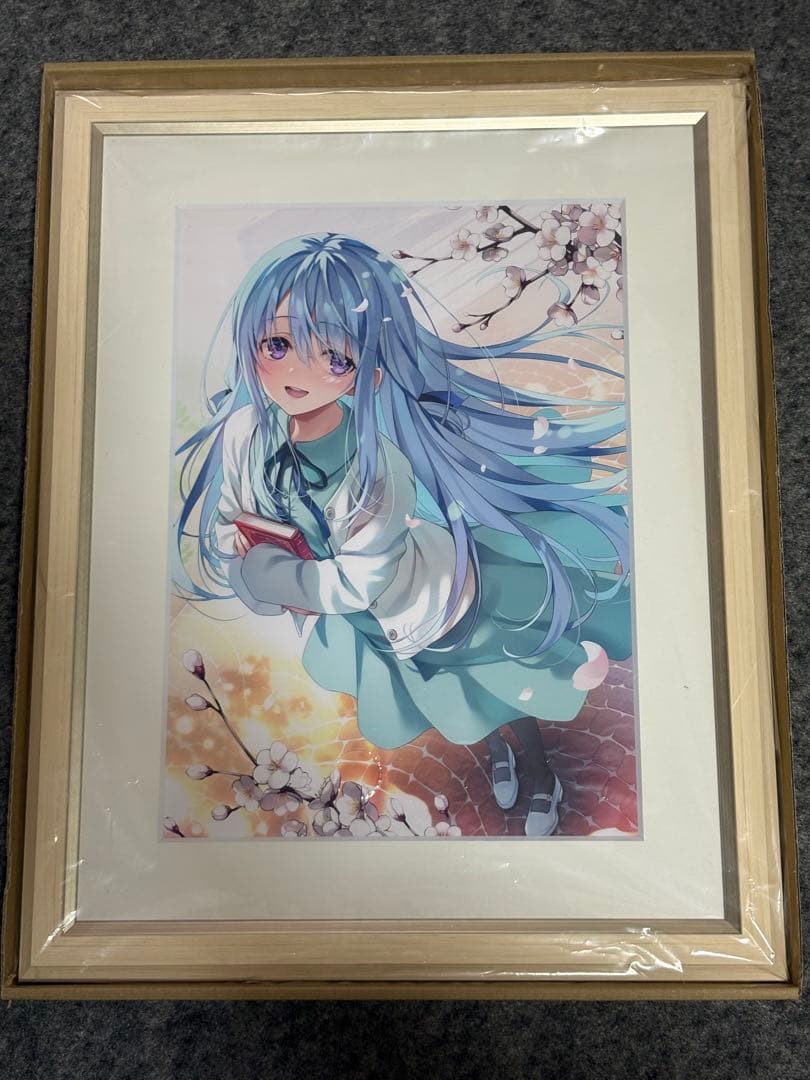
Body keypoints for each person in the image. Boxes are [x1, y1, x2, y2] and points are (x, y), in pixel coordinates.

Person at [175, 232, 632, 836]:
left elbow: (357, 579)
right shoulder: (245, 435)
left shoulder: (377, 465)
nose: (296, 372)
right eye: (277, 345)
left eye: (334, 357)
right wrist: (253, 562)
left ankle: (537, 769)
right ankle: (498, 750)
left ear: (370, 370)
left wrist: (263, 572)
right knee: (451, 700)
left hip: (427, 601)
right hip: (361, 619)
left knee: (485, 681)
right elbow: (233, 523)